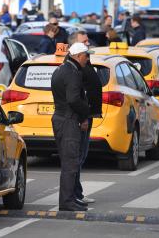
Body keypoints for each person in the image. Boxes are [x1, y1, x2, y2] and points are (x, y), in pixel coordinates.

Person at [51, 42, 93, 212]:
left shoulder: (61, 69)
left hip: (61, 118)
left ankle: (71, 198)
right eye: (86, 55)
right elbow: (74, 99)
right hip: (68, 120)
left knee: (69, 161)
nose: (87, 59)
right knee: (70, 163)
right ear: (77, 56)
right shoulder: (72, 73)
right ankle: (67, 201)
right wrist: (85, 115)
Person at [67, 32, 102, 206]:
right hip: (80, 117)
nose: (88, 43)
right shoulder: (74, 68)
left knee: (81, 156)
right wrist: (84, 116)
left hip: (87, 115)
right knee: (77, 157)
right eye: (84, 42)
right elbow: (76, 96)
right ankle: (74, 194)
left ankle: (77, 192)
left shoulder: (83, 63)